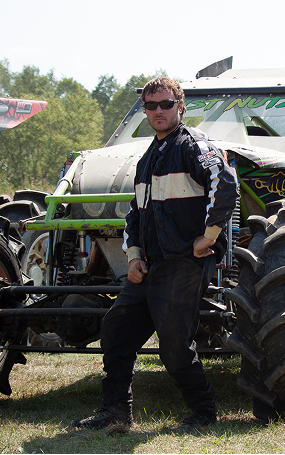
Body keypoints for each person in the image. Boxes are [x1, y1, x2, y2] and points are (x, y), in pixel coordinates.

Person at [71, 77, 238, 432]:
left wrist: (208, 237)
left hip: (184, 262)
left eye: (165, 104)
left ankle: (203, 413)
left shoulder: (195, 146)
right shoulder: (148, 157)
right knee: (116, 331)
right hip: (150, 264)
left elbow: (225, 185)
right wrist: (133, 257)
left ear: (181, 106)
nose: (158, 111)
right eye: (151, 106)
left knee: (174, 344)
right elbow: (136, 212)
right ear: (144, 111)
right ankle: (116, 413)